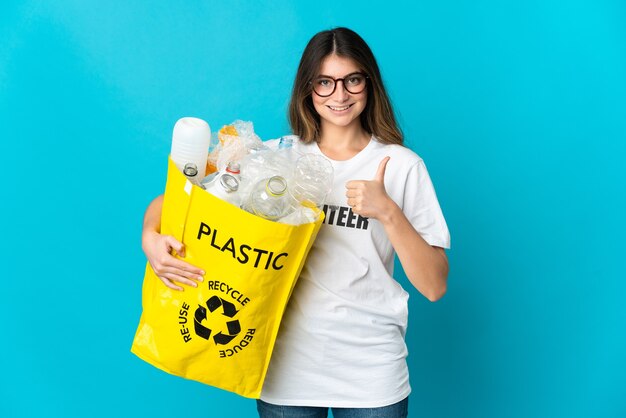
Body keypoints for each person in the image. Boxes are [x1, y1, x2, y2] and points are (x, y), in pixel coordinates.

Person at [142, 27, 450, 418]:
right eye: (325, 82)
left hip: (370, 369)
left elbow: (435, 285)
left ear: (369, 84)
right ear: (308, 89)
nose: (340, 95)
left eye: (352, 80)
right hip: (284, 366)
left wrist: (388, 211)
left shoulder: (402, 166)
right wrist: (150, 236)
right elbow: (176, 198)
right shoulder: (273, 160)